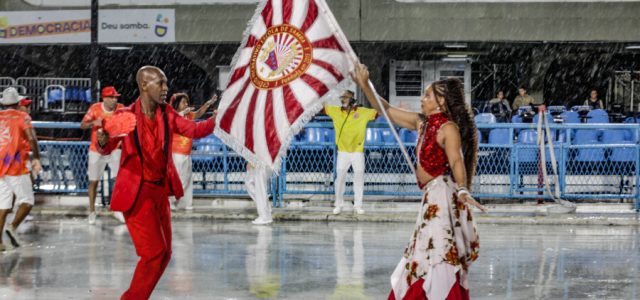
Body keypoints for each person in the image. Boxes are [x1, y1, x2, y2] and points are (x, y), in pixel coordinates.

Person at [352, 64, 485, 300]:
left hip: (442, 198)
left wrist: (463, 188)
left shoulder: (448, 128)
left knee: (438, 254)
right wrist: (364, 85)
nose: (422, 99)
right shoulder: (421, 122)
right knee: (425, 253)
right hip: (430, 199)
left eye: (427, 95)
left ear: (442, 102)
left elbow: (456, 160)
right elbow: (387, 109)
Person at [96, 66, 215, 299]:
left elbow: (194, 129)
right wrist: (103, 140)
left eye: (165, 83)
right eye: (160, 83)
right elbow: (107, 144)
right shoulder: (126, 116)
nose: (165, 88)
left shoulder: (167, 113)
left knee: (165, 253)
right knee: (153, 253)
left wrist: (216, 120)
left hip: (160, 191)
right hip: (137, 193)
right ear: (143, 85)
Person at [0, 87, 42, 251]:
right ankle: (12, 227)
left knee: (3, 204)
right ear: (18, 103)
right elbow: (32, 138)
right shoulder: (22, 116)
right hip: (16, 164)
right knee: (27, 201)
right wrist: (36, 158)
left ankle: (0, 243)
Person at [324, 90, 377, 215]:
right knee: (340, 179)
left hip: (358, 151)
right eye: (342, 97)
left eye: (346, 98)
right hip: (342, 151)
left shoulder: (363, 112)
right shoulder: (335, 111)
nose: (343, 100)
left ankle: (358, 205)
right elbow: (321, 108)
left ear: (353, 99)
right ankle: (338, 204)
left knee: (358, 177)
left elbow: (378, 112)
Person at [80, 86, 125, 224]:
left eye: (116, 97)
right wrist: (93, 122)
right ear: (104, 98)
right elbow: (82, 125)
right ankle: (92, 212)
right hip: (97, 150)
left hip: (114, 148)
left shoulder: (121, 108)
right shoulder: (95, 108)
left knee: (118, 180)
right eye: (112, 97)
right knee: (93, 181)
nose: (114, 99)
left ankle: (117, 209)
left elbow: (127, 125)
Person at [168, 92, 217, 211]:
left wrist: (208, 104)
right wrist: (181, 113)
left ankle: (185, 204)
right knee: (179, 180)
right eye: (183, 102)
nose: (186, 104)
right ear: (176, 104)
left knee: (187, 179)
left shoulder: (187, 116)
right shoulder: (172, 116)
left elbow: (198, 113)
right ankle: (170, 201)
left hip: (186, 153)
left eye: (186, 102)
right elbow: (171, 121)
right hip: (176, 154)